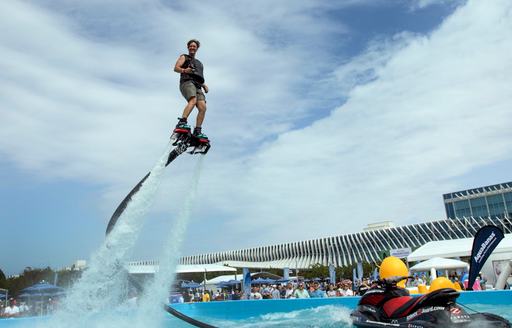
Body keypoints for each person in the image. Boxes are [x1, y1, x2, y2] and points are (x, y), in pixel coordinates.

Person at [173, 39, 209, 139]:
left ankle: (197, 131)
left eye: (194, 46)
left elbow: (197, 76)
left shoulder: (199, 63)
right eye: (191, 46)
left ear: (197, 48)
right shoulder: (184, 57)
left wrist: (204, 85)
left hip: (198, 85)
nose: (192, 47)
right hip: (187, 82)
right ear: (188, 47)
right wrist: (185, 70)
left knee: (203, 107)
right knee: (193, 100)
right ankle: (182, 122)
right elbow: (176, 68)